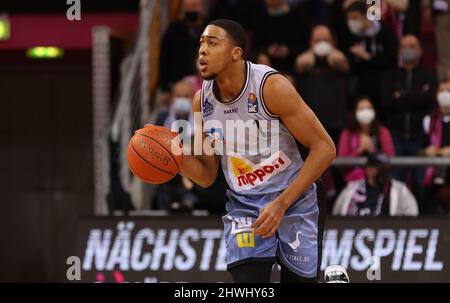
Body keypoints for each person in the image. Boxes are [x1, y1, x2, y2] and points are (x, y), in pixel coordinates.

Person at [176, 19, 336, 282]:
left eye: (212, 43)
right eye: (201, 43)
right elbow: (206, 176)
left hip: (294, 199)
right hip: (245, 206)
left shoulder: (270, 87)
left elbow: (325, 148)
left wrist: (282, 203)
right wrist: (176, 156)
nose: (202, 50)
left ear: (236, 53)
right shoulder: (201, 102)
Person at [333, 152, 418, 217]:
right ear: (368, 170)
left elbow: (413, 216)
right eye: (380, 169)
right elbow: (337, 214)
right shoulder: (351, 190)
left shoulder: (400, 190)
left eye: (386, 170)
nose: (384, 173)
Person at [338, 97, 395, 182]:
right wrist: (359, 151)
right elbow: (341, 162)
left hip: (379, 182)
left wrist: (373, 152)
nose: (365, 111)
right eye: (361, 109)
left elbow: (390, 158)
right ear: (354, 112)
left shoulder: (383, 132)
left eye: (369, 108)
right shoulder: (347, 133)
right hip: (353, 183)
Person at [420, 80, 450, 214]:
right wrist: (426, 151)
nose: (445, 95)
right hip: (434, 176)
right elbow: (419, 149)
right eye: (442, 91)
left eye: (448, 91)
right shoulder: (429, 119)